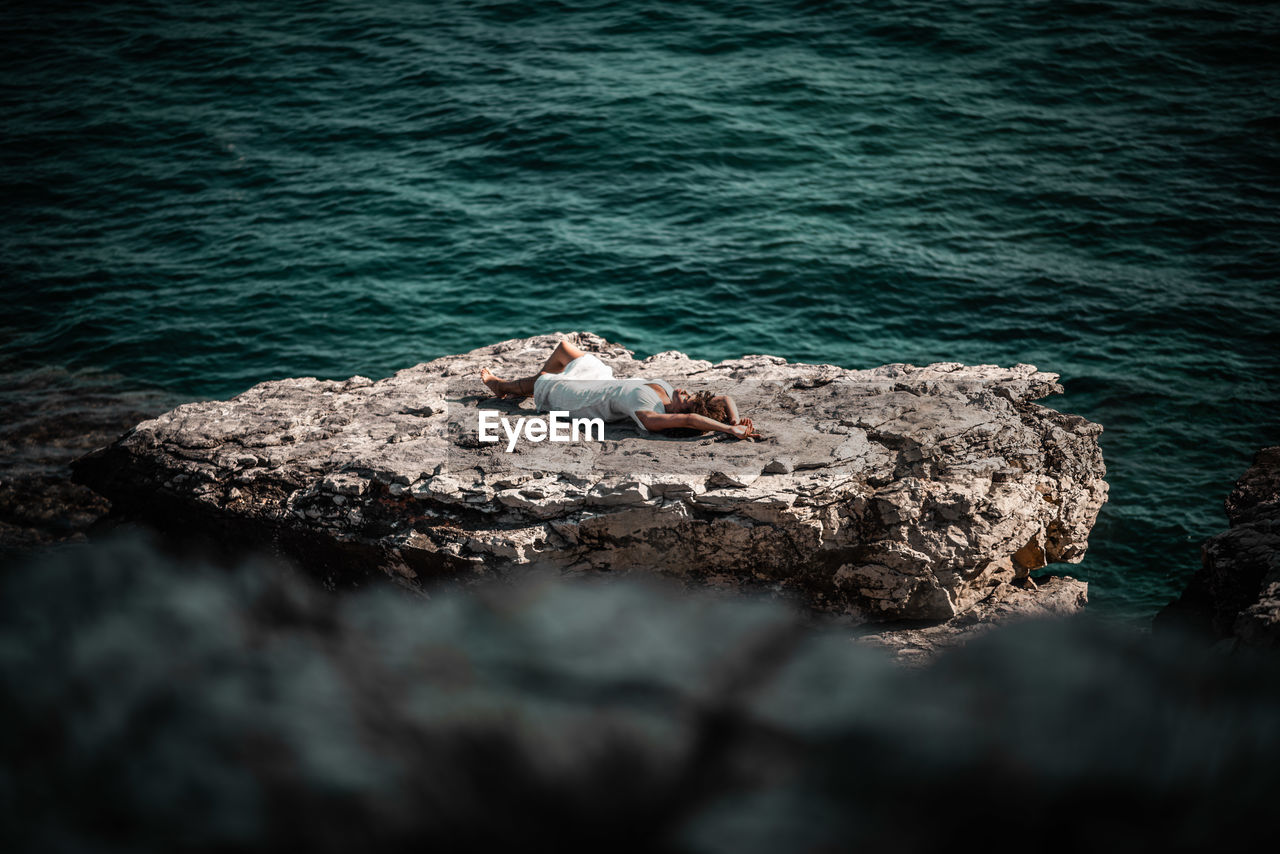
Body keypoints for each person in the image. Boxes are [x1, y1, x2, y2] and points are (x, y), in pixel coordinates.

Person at [480, 339, 758, 440]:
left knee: (544, 383)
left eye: (686, 399)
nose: (684, 392)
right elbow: (724, 397)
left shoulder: (652, 415)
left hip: (586, 399)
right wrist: (734, 420)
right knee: (566, 349)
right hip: (606, 382)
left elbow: (690, 420)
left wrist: (728, 432)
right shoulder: (673, 399)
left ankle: (502, 387)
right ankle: (521, 386)